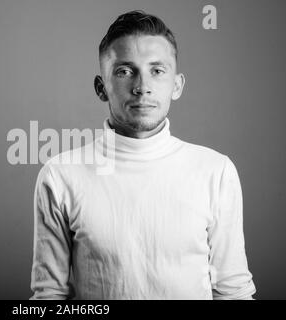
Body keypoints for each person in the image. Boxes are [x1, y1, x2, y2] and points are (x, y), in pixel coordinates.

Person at [30, 10, 256, 300]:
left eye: (157, 70)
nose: (142, 87)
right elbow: (49, 296)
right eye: (125, 71)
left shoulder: (216, 171)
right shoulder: (60, 175)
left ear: (177, 85)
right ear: (102, 88)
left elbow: (233, 291)